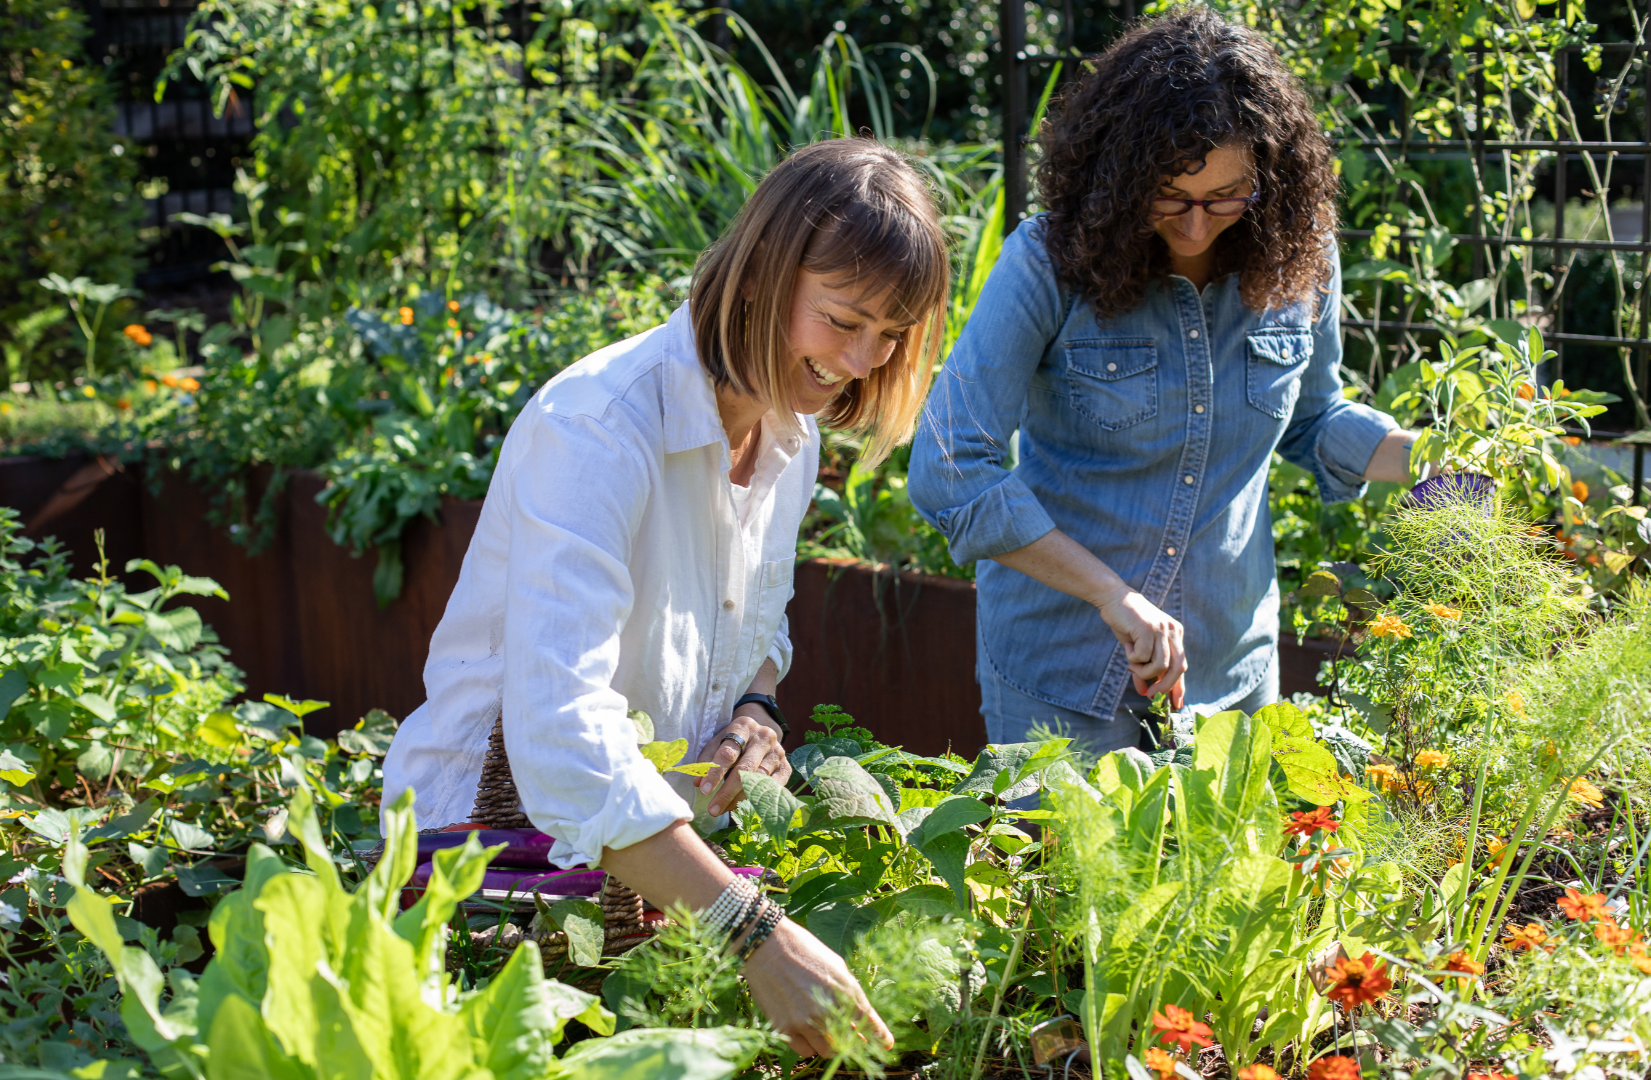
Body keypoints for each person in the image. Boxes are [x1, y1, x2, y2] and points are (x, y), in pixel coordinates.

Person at [382, 138, 948, 1056]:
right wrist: (753, 934)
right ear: (764, 277)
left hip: (653, 880)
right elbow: (563, 738)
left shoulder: (786, 436)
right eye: (844, 320)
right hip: (490, 868)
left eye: (889, 336)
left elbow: (756, 624)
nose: (861, 360)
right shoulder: (598, 430)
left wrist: (756, 712)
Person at [908, 6, 1416, 755]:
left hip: (1230, 670)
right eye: (1170, 196)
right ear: (1118, 176)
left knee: (1226, 875)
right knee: (1070, 875)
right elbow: (949, 466)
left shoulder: (1300, 259)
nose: (1195, 225)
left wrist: (1435, 461)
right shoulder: (1046, 262)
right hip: (1063, 669)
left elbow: (1314, 420)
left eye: (1225, 196)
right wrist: (1112, 596)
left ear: (1269, 181)